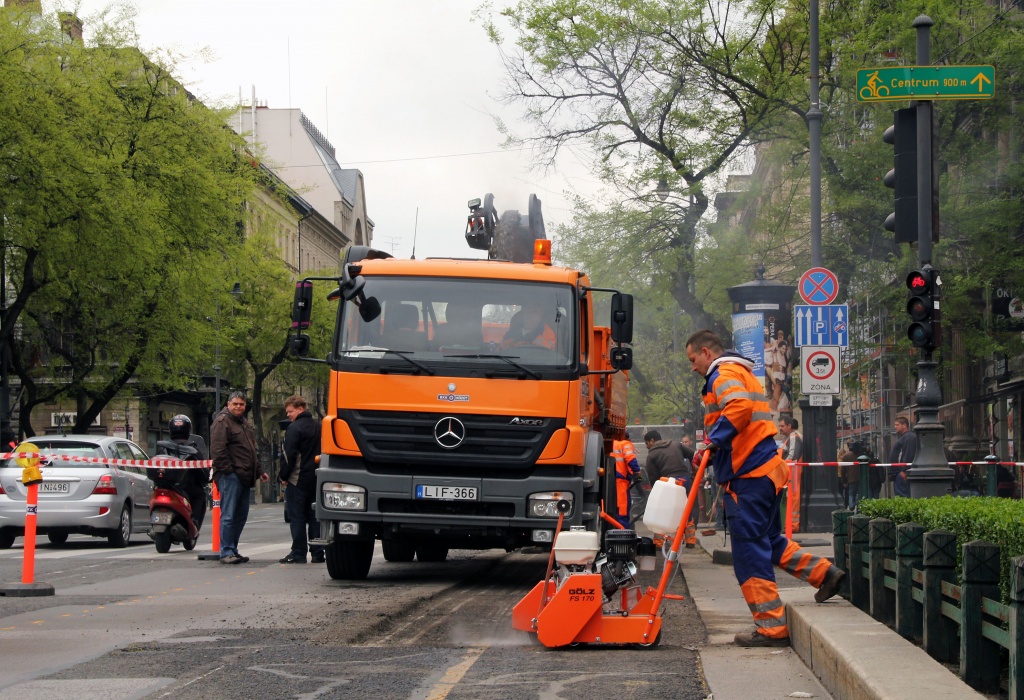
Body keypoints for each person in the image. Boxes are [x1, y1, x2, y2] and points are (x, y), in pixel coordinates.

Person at [685, 329, 846, 648]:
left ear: (706, 352)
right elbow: (745, 421)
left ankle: (772, 629)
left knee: (749, 552)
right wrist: (715, 449)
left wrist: (711, 443)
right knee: (769, 541)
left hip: (749, 475)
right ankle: (824, 574)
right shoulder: (740, 371)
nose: (692, 367)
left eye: (692, 359)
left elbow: (738, 409)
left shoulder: (722, 373)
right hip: (765, 470)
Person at [211, 392, 269, 565]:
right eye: (235, 404)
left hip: (244, 476)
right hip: (231, 476)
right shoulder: (222, 422)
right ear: (228, 404)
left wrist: (259, 471)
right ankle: (226, 551)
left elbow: (250, 450)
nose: (238, 407)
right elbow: (217, 451)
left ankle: (233, 549)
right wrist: (229, 471)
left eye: (241, 404)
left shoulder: (243, 423)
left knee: (240, 516)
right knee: (229, 515)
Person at [279, 396, 326, 564]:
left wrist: (284, 476)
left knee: (297, 516)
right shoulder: (319, 427)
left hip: (297, 478)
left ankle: (298, 553)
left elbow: (289, 456)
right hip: (316, 477)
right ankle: (317, 553)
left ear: (300, 409)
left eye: (290, 411)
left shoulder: (294, 428)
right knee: (314, 516)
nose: (288, 415)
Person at [644, 430, 696, 547]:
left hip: (668, 483)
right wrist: (693, 472)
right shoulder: (675, 444)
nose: (647, 447)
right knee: (686, 509)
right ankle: (690, 541)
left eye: (647, 443)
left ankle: (658, 543)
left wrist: (656, 493)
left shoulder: (652, 454)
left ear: (652, 440)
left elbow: (653, 478)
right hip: (685, 480)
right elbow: (693, 455)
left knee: (661, 511)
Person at [158, 414, 209, 528]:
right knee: (200, 495)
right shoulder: (193, 450)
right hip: (186, 488)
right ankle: (194, 523)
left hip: (164, 487)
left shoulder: (163, 448)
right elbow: (203, 474)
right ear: (188, 430)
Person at [610, 437, 641, 528]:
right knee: (622, 509)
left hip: (610, 479)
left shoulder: (610, 443)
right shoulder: (625, 444)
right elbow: (630, 458)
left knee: (613, 507)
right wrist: (637, 471)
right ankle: (622, 531)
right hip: (620, 481)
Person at [778, 417, 802, 533]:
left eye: (782, 426)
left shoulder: (793, 437)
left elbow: (792, 456)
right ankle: (789, 525)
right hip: (788, 471)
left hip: (791, 471)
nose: (780, 428)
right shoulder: (789, 438)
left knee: (792, 497)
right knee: (789, 498)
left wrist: (782, 466)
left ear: (789, 426)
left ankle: (792, 525)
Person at [888, 416, 918, 497]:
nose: (895, 427)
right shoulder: (905, 437)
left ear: (904, 425)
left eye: (897, 425)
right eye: (895, 425)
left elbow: (909, 454)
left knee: (903, 496)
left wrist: (904, 471)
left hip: (902, 473)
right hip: (899, 472)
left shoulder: (908, 437)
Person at [839, 440, 861, 509]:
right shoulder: (861, 455)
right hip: (861, 478)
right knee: (860, 494)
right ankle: (860, 507)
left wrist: (844, 481)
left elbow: (843, 470)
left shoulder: (846, 456)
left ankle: (851, 507)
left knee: (851, 494)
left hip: (851, 479)